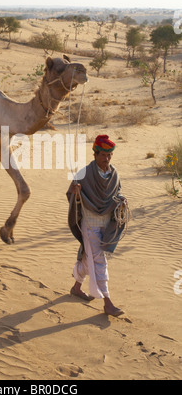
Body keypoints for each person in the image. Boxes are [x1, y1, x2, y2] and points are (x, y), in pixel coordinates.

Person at [67, 134, 129, 317]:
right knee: (99, 261)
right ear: (95, 154)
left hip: (107, 224)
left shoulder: (114, 173)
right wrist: (76, 194)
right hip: (90, 224)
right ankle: (108, 303)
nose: (106, 159)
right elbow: (72, 197)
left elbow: (116, 194)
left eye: (109, 155)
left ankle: (76, 287)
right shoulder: (83, 173)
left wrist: (121, 203)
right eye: (103, 154)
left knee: (90, 259)